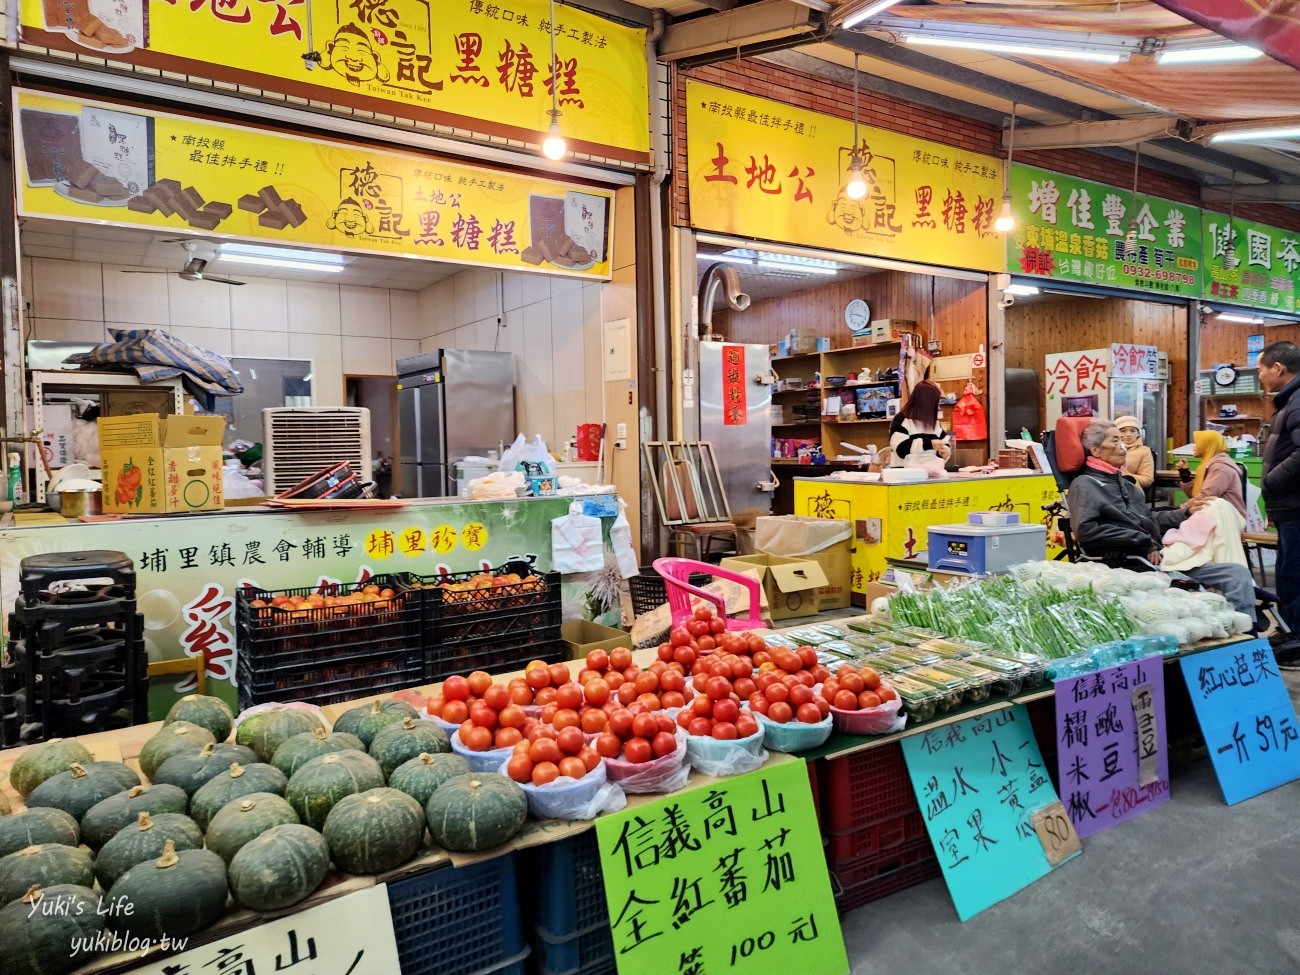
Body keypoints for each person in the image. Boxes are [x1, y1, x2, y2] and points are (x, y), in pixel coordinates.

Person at [1069, 421, 1256, 619]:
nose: (1123, 445)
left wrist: (1185, 513)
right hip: (1132, 561)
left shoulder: (1126, 484)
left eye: (1123, 439)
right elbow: (1086, 531)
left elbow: (1148, 519)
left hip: (1158, 555)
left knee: (1237, 573)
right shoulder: (1085, 485)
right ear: (1096, 451)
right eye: (1116, 440)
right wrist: (1142, 541)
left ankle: (1247, 631)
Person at [1259, 340, 1300, 636]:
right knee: (1288, 573)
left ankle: (1294, 640)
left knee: (1293, 575)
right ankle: (1289, 633)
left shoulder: (1297, 400)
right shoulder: (1290, 400)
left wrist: (1272, 481)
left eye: (1262, 369)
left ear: (1278, 368)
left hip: (1296, 505)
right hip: (1289, 506)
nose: (1260, 375)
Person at [1176, 430, 1247, 519]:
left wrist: (1176, 512)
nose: (1194, 447)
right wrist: (1185, 474)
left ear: (1207, 445)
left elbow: (1204, 498)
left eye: (1198, 443)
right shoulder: (1208, 463)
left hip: (1227, 520)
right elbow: (1197, 496)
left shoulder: (1220, 467)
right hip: (1211, 515)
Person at [888, 380, 951, 471]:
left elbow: (944, 442)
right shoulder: (902, 420)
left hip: (931, 474)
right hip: (904, 476)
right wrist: (929, 444)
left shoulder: (933, 422)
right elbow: (901, 449)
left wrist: (944, 451)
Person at [1113, 415, 1154, 491]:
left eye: (1132, 431)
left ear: (1138, 434)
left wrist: (1125, 477)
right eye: (1123, 431)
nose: (1128, 434)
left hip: (1131, 491)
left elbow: (1147, 479)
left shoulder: (1144, 451)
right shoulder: (1109, 449)